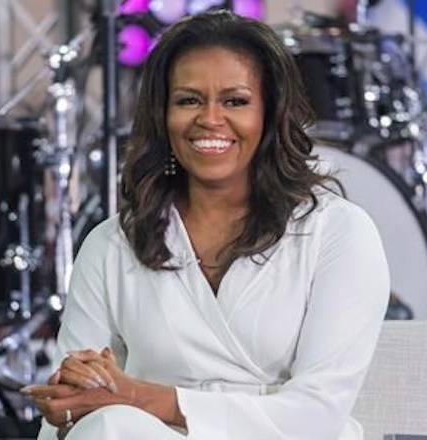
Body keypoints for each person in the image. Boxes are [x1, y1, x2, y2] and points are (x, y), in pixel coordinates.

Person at [25, 10, 389, 440]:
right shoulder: (111, 243)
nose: (210, 119)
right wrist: (73, 398)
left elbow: (316, 416)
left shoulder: (339, 233)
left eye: (235, 101)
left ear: (270, 115)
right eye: (188, 100)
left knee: (117, 420)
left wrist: (139, 397)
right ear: (162, 115)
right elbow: (70, 415)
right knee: (110, 425)